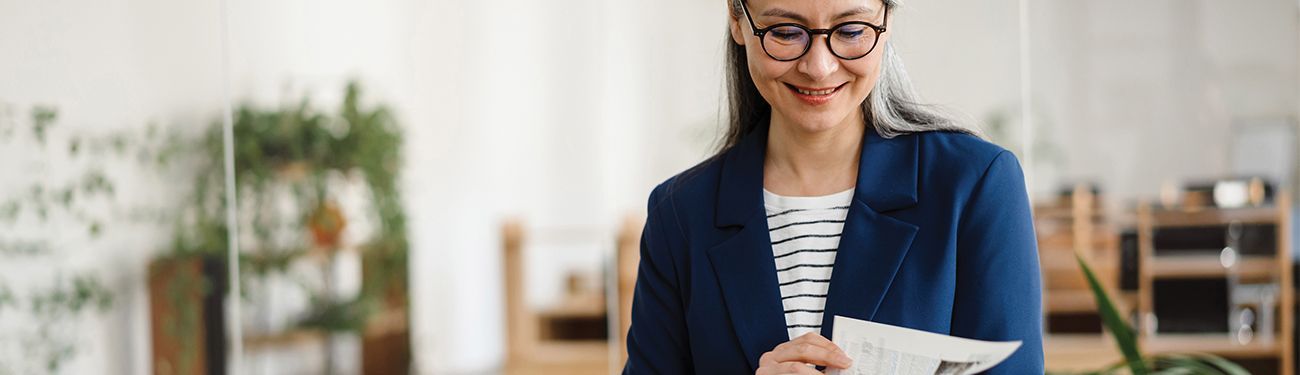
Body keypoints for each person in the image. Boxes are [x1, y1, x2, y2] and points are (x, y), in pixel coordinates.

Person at [622, 0, 1043, 373]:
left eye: (851, 31)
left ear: (887, 19)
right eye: (785, 32)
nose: (819, 66)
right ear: (737, 19)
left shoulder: (974, 184)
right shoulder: (679, 213)